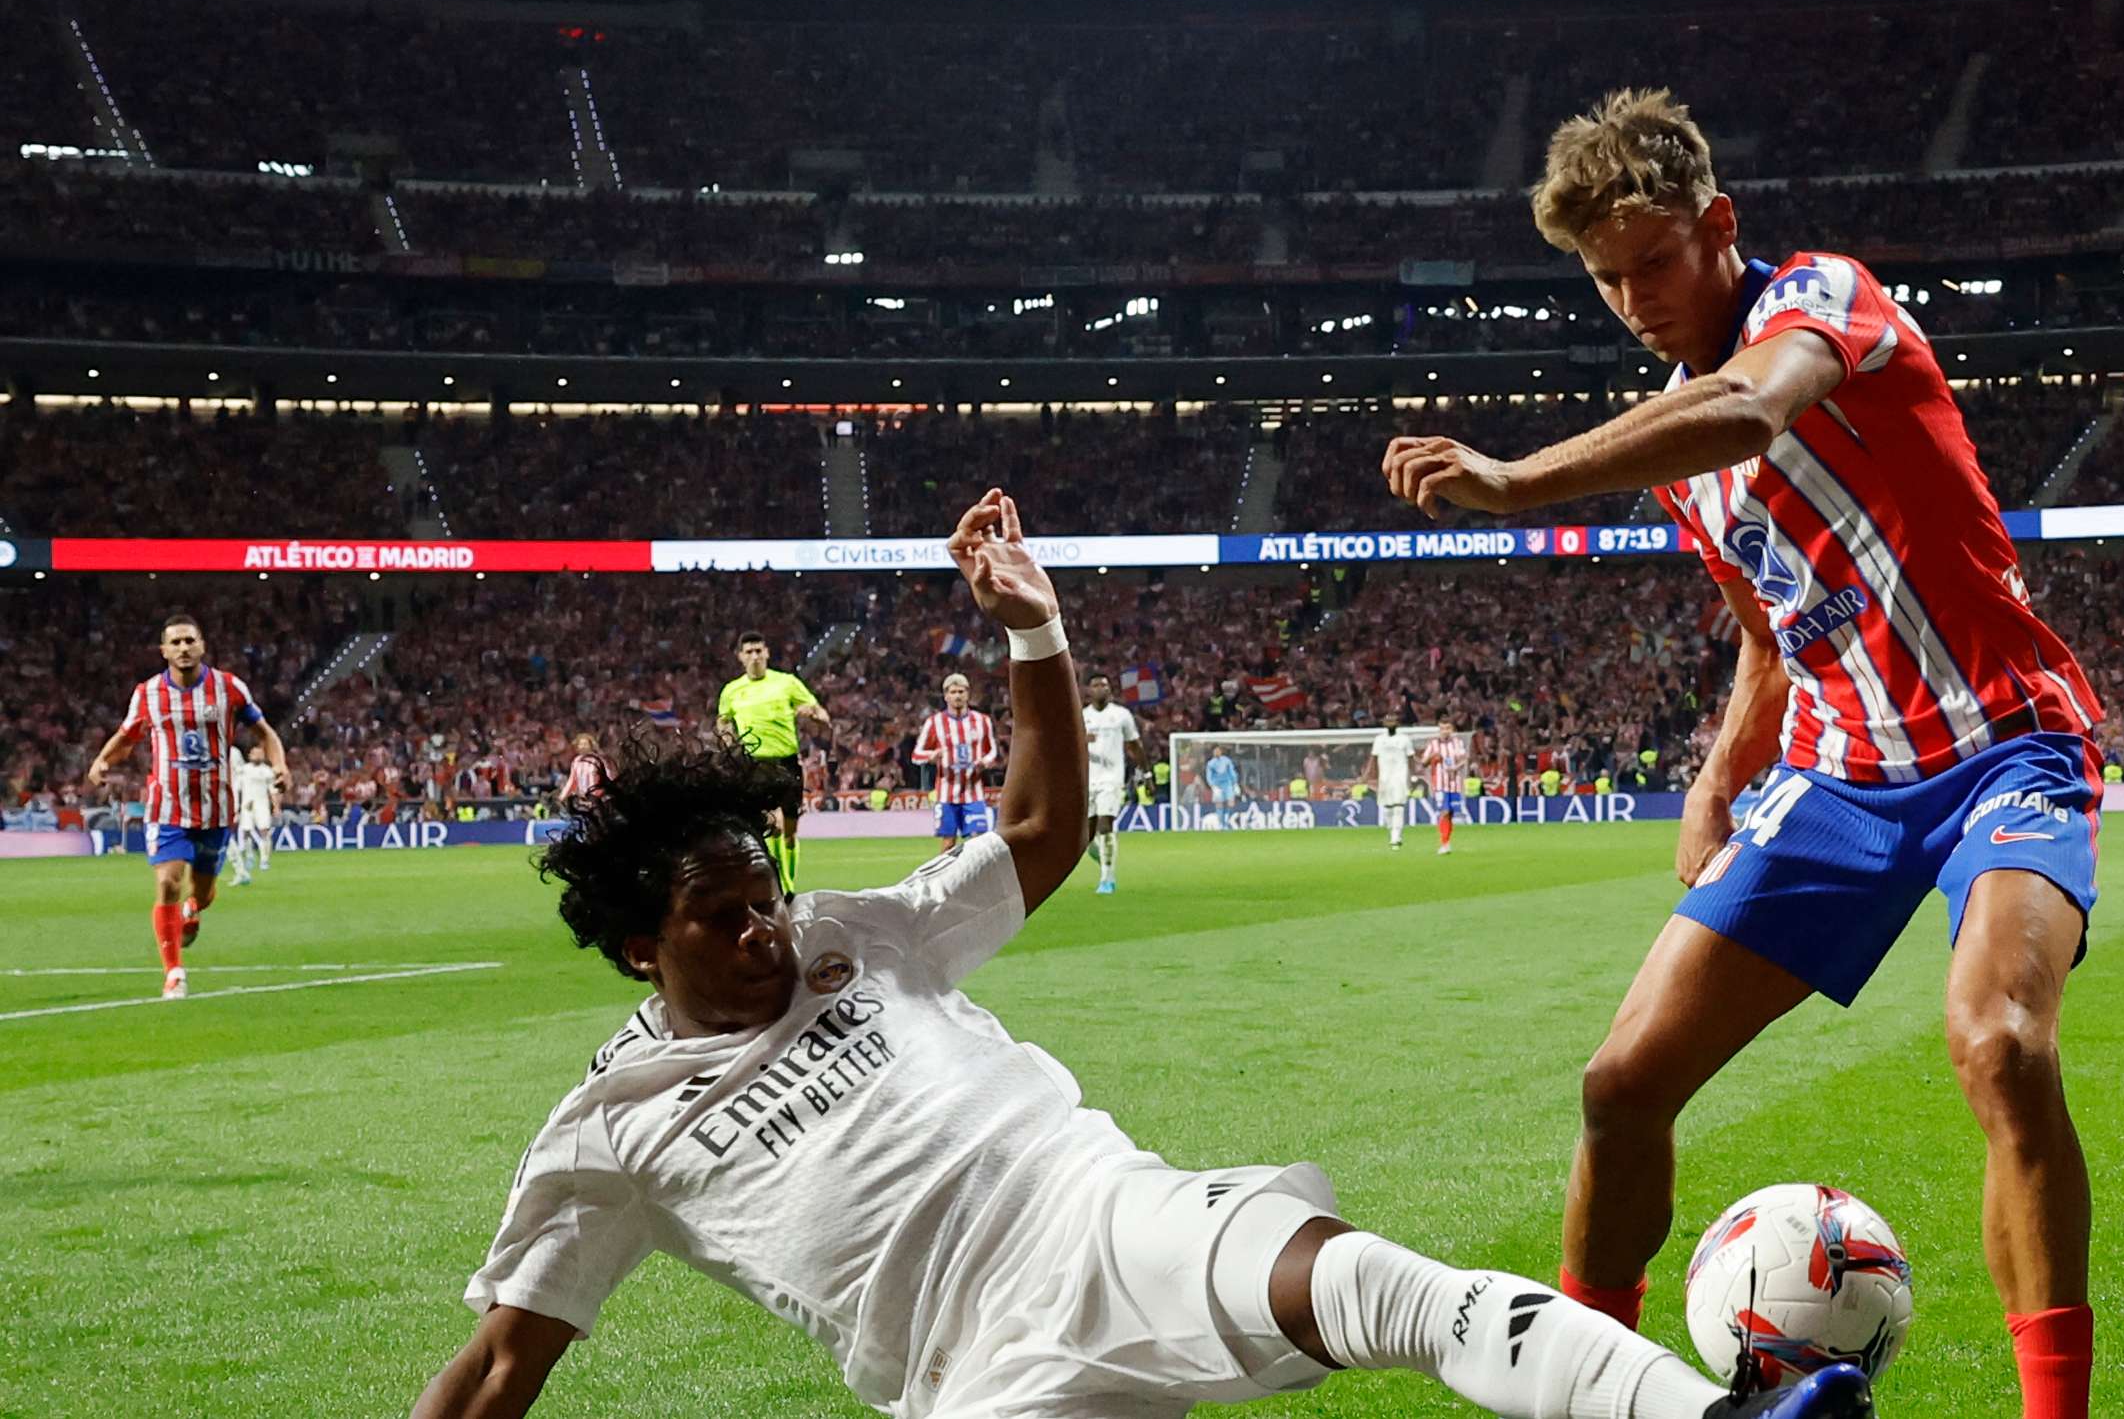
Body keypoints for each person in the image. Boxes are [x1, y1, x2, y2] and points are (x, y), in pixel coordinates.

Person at [408, 490, 1868, 1419]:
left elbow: (1041, 826)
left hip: (1107, 1211)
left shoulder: (862, 935)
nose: (761, 929)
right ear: (630, 948)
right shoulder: (608, 1129)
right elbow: (498, 1368)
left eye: (760, 895)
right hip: (969, 1372)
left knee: (1380, 1286)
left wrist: (1036, 632)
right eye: (716, 919)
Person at [1379, 88, 2107, 1419]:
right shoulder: (1677, 452)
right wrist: (1719, 778)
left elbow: (1749, 408)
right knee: (1619, 1084)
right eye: (1603, 279)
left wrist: (1516, 479)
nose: (1632, 297)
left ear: (1718, 224)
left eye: (1651, 260)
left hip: (2003, 744)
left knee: (1999, 1044)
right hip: (1830, 781)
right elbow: (1769, 637)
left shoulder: (1821, 298)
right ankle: (1589, 1393)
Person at [85, 614, 285, 1000]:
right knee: (166, 881)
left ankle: (192, 910)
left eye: (189, 640)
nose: (183, 648)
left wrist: (280, 764)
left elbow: (264, 732)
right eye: (174, 642)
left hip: (215, 809)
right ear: (163, 651)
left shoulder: (229, 687)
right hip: (167, 806)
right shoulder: (147, 694)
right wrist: (102, 760)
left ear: (202, 645)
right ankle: (174, 972)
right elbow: (127, 735)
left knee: (205, 891)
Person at [716, 634, 832, 892]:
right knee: (771, 825)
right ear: (741, 656)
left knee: (790, 830)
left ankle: (788, 881)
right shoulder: (732, 690)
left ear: (767, 652)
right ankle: (780, 886)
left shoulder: (786, 682)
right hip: (754, 764)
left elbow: (820, 712)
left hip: (787, 763)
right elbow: (723, 720)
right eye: (749, 652)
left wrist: (814, 714)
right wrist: (727, 739)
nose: (755, 656)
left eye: (759, 650)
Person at [915, 673, 998, 854]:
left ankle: (977, 880)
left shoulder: (982, 721)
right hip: (946, 794)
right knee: (948, 844)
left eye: (961, 691)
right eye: (953, 692)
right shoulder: (934, 723)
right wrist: (932, 755)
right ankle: (945, 881)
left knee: (978, 842)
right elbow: (916, 754)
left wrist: (985, 761)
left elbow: (992, 751)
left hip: (973, 793)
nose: (957, 696)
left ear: (968, 694)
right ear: (946, 696)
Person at [1080, 673, 1140, 895]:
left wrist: (1146, 773)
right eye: (1095, 685)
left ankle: (1107, 878)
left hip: (1112, 780)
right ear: (1089, 691)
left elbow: (1134, 745)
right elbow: (1070, 748)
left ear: (1110, 690)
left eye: (1104, 685)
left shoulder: (1121, 715)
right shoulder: (1082, 717)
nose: (1100, 689)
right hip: (1088, 781)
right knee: (1085, 839)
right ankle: (1106, 862)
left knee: (1105, 826)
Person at [230, 735, 281, 881]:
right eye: (255, 753)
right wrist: (237, 805)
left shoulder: (267, 771)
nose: (257, 756)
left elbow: (273, 791)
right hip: (247, 804)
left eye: (260, 754)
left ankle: (264, 859)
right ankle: (250, 855)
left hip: (262, 804)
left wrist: (276, 807)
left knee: (264, 831)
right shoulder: (244, 770)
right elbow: (237, 788)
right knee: (245, 832)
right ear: (250, 755)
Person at [1423, 725, 1474, 854]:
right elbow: (1423, 762)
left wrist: (1455, 767)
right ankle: (1444, 844)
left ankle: (1446, 841)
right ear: (1439, 730)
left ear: (1451, 730)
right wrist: (1432, 757)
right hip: (1440, 784)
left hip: (1454, 783)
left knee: (1450, 813)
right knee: (1444, 811)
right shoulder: (1433, 744)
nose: (1445, 731)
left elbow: (1464, 759)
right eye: (1442, 729)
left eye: (1448, 728)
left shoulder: (1457, 743)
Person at [1370, 725, 1420, 851]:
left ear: (1397, 723)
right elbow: (1374, 758)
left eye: (1393, 719)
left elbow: (1411, 758)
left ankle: (1395, 836)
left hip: (1400, 776)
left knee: (1399, 806)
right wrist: (1372, 777)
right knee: (1387, 808)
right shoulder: (1379, 739)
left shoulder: (1404, 739)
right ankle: (1391, 829)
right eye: (1388, 719)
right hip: (1385, 778)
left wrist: (1413, 776)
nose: (1390, 722)